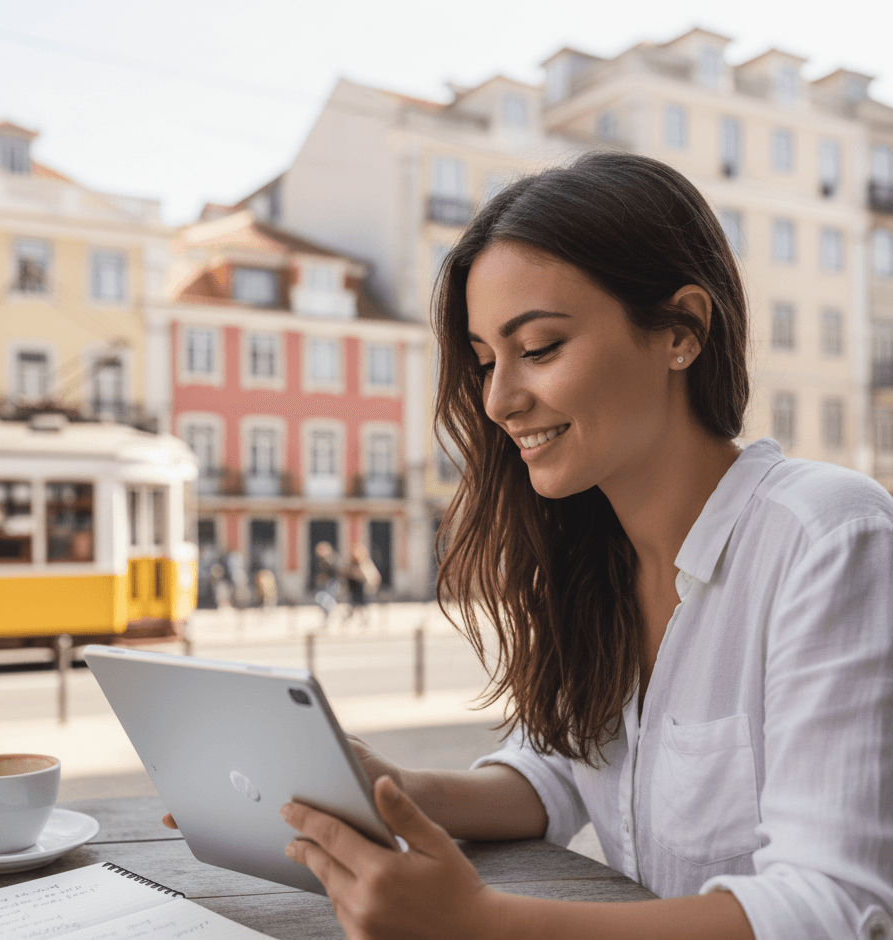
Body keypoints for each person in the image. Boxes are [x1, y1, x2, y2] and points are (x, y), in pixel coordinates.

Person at [166, 152, 893, 939]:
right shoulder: (593, 555)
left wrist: (480, 925)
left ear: (682, 331)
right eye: (484, 360)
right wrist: (394, 789)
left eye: (539, 348)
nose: (500, 399)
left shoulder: (827, 537)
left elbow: (833, 908)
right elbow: (560, 770)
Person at [342, 543, 381, 627]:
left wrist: (360, 575)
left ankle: (363, 620)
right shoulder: (351, 565)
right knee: (353, 605)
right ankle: (350, 619)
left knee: (361, 606)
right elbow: (345, 575)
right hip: (354, 590)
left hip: (365, 591)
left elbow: (373, 578)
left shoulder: (366, 564)